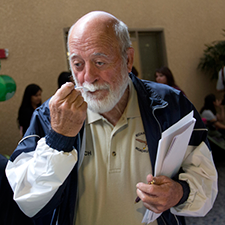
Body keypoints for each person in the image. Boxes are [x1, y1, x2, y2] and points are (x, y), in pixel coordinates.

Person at [5, 11, 217, 225]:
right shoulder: (50, 115)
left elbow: (206, 181)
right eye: (78, 64)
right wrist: (59, 139)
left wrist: (179, 192)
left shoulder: (170, 106)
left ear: (128, 59)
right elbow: (26, 200)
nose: (88, 77)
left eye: (99, 62)